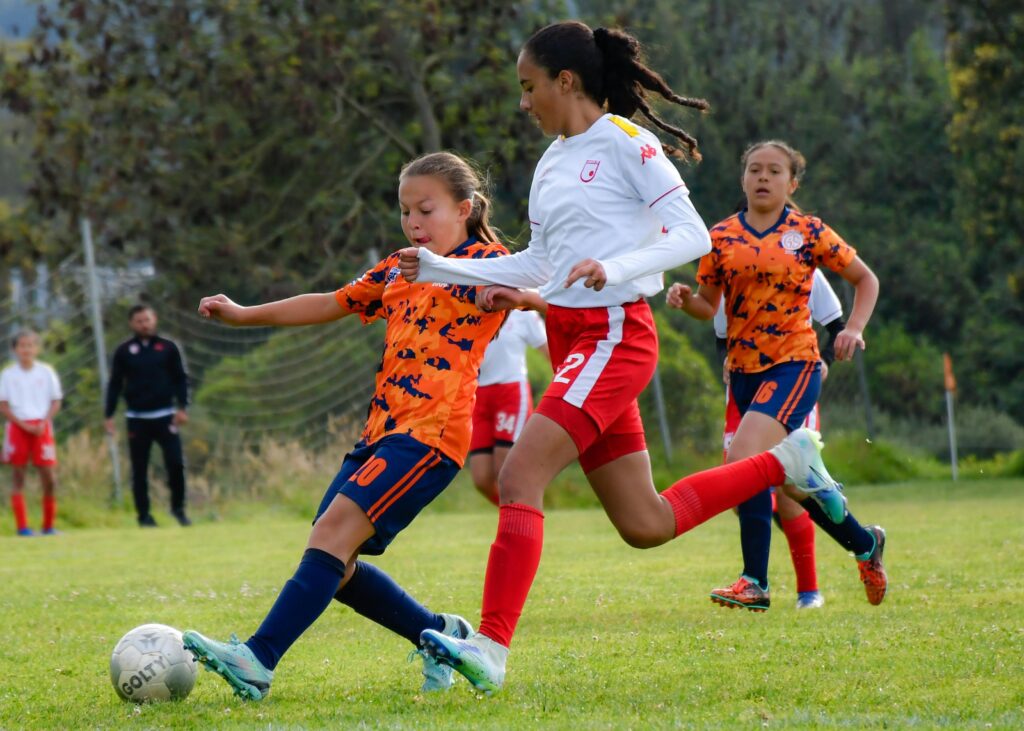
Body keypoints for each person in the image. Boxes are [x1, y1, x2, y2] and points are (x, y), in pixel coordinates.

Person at [398, 21, 861, 695]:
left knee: (519, 476)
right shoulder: (552, 161)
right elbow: (540, 262)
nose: (523, 102)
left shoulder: (626, 142)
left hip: (615, 335)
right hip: (572, 338)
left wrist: (613, 267)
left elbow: (691, 234)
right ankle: (786, 463)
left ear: (566, 81)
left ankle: (491, 647)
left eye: (529, 87)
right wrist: (441, 266)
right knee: (645, 523)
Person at [181, 151, 515, 701]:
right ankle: (442, 633)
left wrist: (512, 294)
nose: (413, 222)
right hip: (378, 434)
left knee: (331, 539)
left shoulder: (488, 262)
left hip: (430, 437)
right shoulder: (400, 268)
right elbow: (330, 302)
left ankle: (257, 660)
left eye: (426, 209)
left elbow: (536, 286)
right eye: (405, 211)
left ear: (464, 209)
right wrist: (243, 314)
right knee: (334, 564)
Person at [667, 139, 887, 614]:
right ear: (743, 178)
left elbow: (865, 279)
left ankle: (755, 582)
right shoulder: (720, 236)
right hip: (743, 376)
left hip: (794, 366)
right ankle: (864, 543)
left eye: (774, 171)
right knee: (787, 482)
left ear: (792, 184)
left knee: (743, 463)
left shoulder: (807, 231)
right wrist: (686, 302)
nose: (763, 177)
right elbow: (708, 306)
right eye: (754, 170)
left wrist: (852, 328)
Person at [713, 268, 847, 610]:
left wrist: (825, 360)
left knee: (788, 494)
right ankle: (859, 535)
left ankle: (808, 592)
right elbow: (721, 336)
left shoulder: (803, 262)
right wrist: (725, 359)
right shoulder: (730, 265)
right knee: (739, 493)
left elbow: (837, 325)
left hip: (792, 383)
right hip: (744, 391)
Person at [104, 304, 192, 527]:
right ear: (132, 324)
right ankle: (144, 516)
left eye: (147, 320)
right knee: (139, 469)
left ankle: (179, 510)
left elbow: (181, 378)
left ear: (155, 320)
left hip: (166, 416)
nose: (144, 324)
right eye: (139, 321)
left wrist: (183, 407)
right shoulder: (124, 351)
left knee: (175, 464)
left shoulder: (168, 347)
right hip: (137, 418)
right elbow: (115, 384)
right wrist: (109, 414)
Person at [470, 306, 549, 505]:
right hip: (477, 394)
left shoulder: (523, 311)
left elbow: (549, 351)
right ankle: (518, 513)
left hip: (510, 392)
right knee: (481, 478)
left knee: (505, 471)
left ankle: (521, 516)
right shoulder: (470, 306)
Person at [0, 329, 62, 536]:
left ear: (37, 349)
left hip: (41, 427)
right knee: (19, 475)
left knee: (49, 477)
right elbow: (3, 405)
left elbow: (56, 401)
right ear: (14, 349)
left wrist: (44, 422)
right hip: (18, 427)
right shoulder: (8, 375)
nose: (26, 349)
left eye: (30, 345)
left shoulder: (46, 372)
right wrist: (23, 424)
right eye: (22, 346)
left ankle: (48, 525)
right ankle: (22, 527)